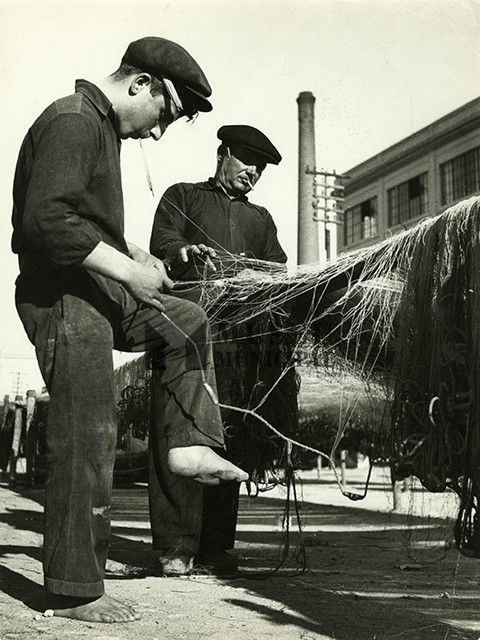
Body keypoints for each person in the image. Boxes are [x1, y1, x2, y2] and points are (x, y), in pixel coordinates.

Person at [11, 37, 248, 624]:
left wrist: (139, 256)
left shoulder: (99, 129)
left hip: (95, 288)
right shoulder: (72, 121)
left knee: (187, 321)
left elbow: (90, 226)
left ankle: (192, 443)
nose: (156, 132)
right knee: (87, 433)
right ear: (140, 84)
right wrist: (129, 273)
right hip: (63, 296)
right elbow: (47, 221)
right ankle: (74, 591)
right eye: (165, 114)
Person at [149, 125, 298, 576]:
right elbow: (161, 244)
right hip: (184, 335)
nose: (253, 173)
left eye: (262, 168)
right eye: (247, 161)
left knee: (227, 435)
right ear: (223, 153)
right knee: (178, 432)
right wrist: (183, 251)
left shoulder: (261, 220)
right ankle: (175, 544)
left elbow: (278, 270)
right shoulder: (182, 196)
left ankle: (215, 546)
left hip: (238, 345)